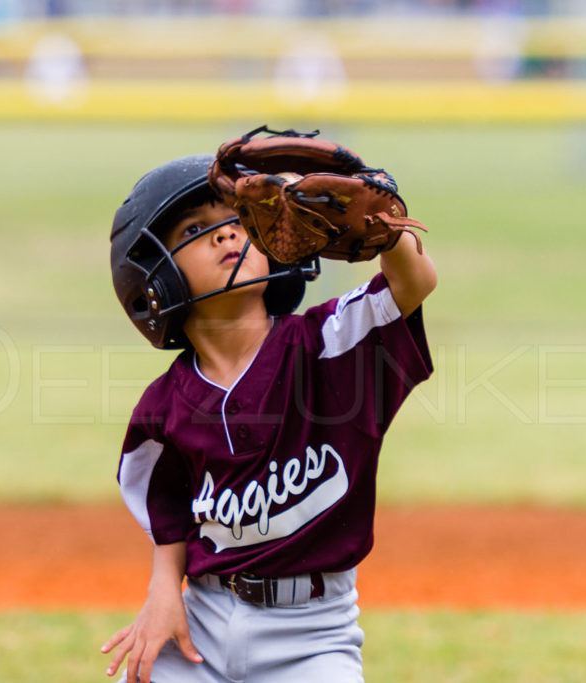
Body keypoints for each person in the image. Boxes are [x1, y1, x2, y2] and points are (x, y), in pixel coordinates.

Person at [103, 152, 437, 682]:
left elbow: (411, 285)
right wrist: (162, 595)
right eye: (196, 228)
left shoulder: (327, 344)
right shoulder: (161, 407)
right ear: (155, 274)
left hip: (313, 636)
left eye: (237, 220)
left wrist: (386, 229)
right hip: (204, 624)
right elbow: (169, 515)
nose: (225, 235)